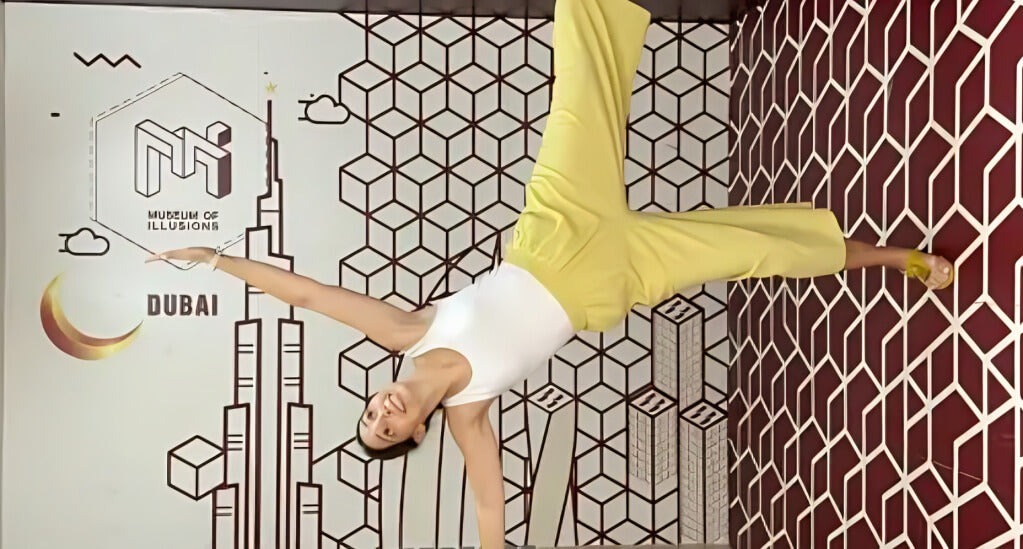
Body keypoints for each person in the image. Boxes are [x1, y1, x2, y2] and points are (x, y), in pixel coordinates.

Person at [147, 0, 954, 546]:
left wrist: (215, 258)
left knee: (581, 93)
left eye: (370, 413)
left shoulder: (403, 335)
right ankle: (898, 259)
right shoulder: (464, 415)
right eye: (388, 429)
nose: (384, 411)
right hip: (609, 283)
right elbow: (491, 503)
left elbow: (311, 294)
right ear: (416, 432)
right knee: (754, 252)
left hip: (554, 234)